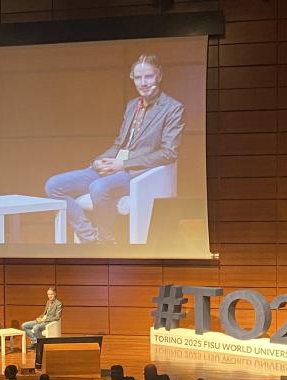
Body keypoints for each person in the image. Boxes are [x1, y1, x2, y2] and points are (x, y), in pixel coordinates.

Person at [45, 53, 185, 244]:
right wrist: (99, 161)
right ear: (132, 78)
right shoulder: (132, 106)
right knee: (53, 186)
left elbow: (169, 153)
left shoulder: (173, 108)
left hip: (138, 173)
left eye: (148, 76)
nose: (143, 83)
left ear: (159, 75)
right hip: (115, 166)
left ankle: (106, 241)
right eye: (138, 77)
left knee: (98, 187)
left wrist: (123, 164)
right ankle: (89, 237)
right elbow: (120, 143)